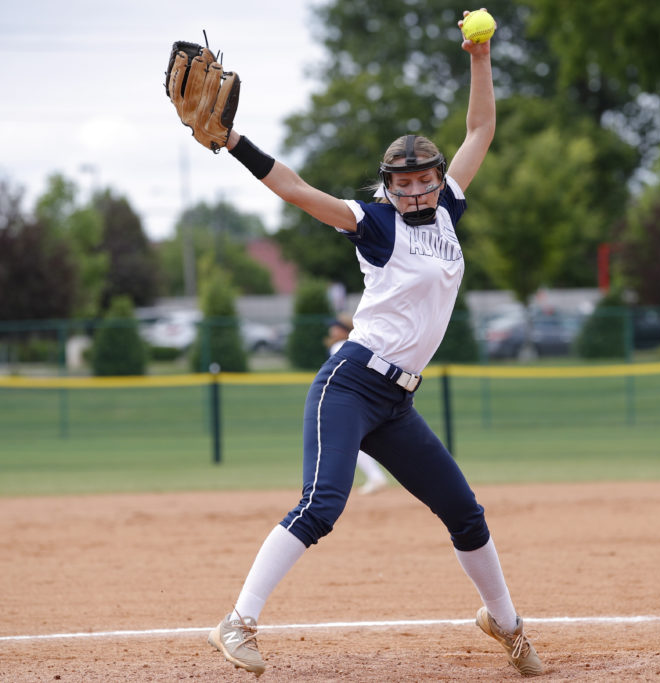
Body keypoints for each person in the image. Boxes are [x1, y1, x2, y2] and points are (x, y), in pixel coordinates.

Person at [201, 10, 543, 677]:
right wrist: (233, 140)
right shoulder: (377, 226)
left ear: (438, 181)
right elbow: (297, 190)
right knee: (323, 503)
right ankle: (237, 622)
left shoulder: (448, 211)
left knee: (464, 512)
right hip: (352, 383)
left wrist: (480, 56)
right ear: (387, 186)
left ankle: (507, 624)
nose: (415, 190)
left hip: (397, 402)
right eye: (403, 182)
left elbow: (481, 129)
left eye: (424, 180)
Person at [324, 313, 390, 495]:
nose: (332, 330)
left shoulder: (339, 346)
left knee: (352, 441)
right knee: (363, 440)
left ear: (344, 330)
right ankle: (376, 476)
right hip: (374, 397)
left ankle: (375, 477)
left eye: (335, 326)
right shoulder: (365, 346)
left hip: (353, 399)